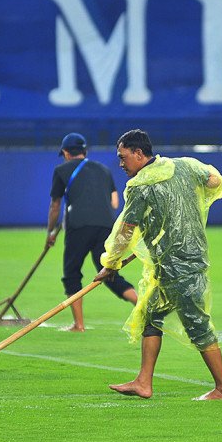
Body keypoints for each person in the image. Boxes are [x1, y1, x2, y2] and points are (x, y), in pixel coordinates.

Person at [94, 129, 222, 400]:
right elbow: (215, 180)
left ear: (138, 153)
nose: (121, 164)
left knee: (198, 325)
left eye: (123, 158)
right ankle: (144, 382)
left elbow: (125, 231)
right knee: (151, 316)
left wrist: (111, 263)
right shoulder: (185, 166)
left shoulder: (140, 187)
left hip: (177, 267)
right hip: (184, 261)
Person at [46, 132, 137, 332]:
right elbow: (114, 202)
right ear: (85, 151)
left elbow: (55, 205)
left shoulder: (61, 170)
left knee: (71, 274)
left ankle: (79, 324)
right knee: (108, 273)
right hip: (106, 226)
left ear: (66, 153)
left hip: (78, 226)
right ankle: (141, 305)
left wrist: (50, 233)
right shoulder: (103, 170)